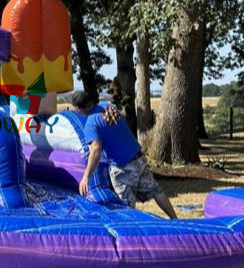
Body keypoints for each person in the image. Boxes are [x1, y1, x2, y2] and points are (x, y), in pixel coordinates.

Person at [72, 91, 177, 219]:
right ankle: (175, 219)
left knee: (126, 204)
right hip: (138, 158)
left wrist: (86, 177)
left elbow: (96, 151)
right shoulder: (108, 107)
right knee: (156, 191)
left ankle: (129, 229)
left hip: (122, 167)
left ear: (78, 108)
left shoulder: (91, 124)